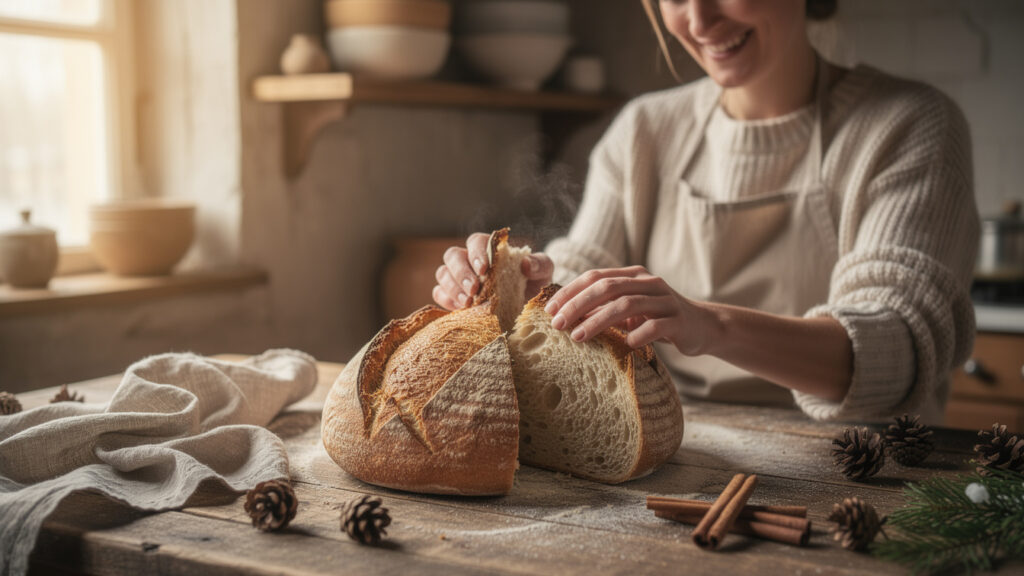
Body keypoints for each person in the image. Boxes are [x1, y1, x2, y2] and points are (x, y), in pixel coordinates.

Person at [432, 0, 979, 424]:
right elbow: (584, 269)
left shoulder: (909, 125)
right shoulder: (644, 130)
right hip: (692, 459)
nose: (699, 21)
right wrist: (531, 290)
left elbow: (894, 351)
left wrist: (708, 325)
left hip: (862, 475)